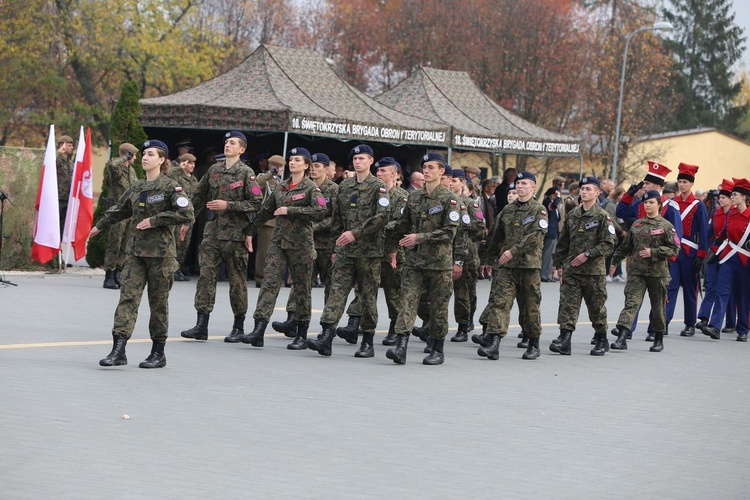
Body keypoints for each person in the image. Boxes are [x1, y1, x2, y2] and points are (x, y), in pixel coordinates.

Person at [90, 140, 194, 368]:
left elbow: (187, 213)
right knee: (127, 299)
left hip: (161, 256)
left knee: (158, 304)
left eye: (150, 154)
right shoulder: (137, 187)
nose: (145, 158)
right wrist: (100, 226)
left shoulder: (170, 187)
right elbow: (120, 209)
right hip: (136, 254)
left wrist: (156, 220)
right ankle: (118, 350)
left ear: (162, 159)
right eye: (144, 154)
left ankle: (158, 353)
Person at [238, 147, 326, 349]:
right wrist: (250, 231)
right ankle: (258, 330)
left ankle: (302, 333)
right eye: (291, 159)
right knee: (269, 283)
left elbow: (321, 210)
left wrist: (291, 210)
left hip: (301, 244)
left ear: (306, 165)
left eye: (297, 160)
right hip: (278, 242)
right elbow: (266, 211)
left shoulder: (311, 188)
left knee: (302, 288)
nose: (293, 163)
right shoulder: (281, 187)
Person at [306, 144, 389, 357]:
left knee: (368, 296)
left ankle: (368, 340)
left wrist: (356, 233)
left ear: (370, 161)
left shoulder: (378, 187)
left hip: (368, 252)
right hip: (345, 251)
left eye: (362, 158)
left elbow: (381, 218)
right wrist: (336, 246)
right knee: (336, 291)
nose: (357, 162)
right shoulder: (345, 186)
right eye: (355, 159)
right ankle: (326, 335)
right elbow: (337, 219)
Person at [180, 131, 263, 342]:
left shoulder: (246, 173)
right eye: (226, 142)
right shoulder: (214, 170)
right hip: (212, 234)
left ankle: (238, 325)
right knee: (206, 278)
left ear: (242, 149)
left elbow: (256, 203)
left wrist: (229, 206)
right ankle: (201, 324)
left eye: (233, 143)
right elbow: (198, 196)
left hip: (236, 237)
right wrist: (187, 219)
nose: (228, 145)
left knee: (237, 282)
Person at [384, 152, 460, 365]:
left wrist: (420, 238)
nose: (426, 171)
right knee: (407, 301)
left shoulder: (450, 199)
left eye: (431, 168)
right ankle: (400, 347)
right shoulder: (414, 197)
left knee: (438, 307)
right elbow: (403, 224)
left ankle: (437, 348)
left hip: (439, 264)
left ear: (441, 171)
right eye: (424, 167)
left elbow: (449, 232)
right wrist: (385, 229)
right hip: (414, 263)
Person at [338, 157, 409, 349]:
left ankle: (395, 327)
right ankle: (353, 324)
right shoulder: (371, 191)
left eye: (384, 171)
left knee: (392, 293)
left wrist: (379, 227)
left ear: (394, 174)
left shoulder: (402, 197)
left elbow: (400, 223)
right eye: (378, 171)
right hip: (369, 249)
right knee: (363, 290)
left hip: (391, 251)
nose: (379, 174)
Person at [476, 171, 548, 360]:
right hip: (506, 267)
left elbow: (535, 237)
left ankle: (533, 342)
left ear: (533, 187)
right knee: (500, 303)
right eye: (518, 183)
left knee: (529, 307)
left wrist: (513, 251)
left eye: (524, 183)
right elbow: (495, 236)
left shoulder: (539, 210)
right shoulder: (507, 211)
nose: (520, 186)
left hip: (528, 267)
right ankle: (494, 344)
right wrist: (488, 260)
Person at [272, 152, 339, 337]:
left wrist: (312, 227)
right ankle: (292, 318)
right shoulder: (302, 187)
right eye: (313, 165)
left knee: (330, 285)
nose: (315, 169)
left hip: (325, 244)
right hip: (303, 243)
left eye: (319, 166)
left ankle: (329, 325)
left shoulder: (333, 189)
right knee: (301, 284)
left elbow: (333, 218)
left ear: (326, 169)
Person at [616, 161, 683, 339]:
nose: (643, 186)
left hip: (659, 261)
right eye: (644, 183)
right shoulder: (642, 203)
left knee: (657, 299)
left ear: (658, 186)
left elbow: (676, 238)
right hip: (638, 259)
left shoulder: (671, 207)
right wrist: (629, 195)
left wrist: (666, 258)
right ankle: (627, 328)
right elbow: (621, 212)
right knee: (633, 296)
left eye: (647, 183)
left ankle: (655, 330)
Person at [551, 177, 617, 356]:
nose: (584, 192)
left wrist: (588, 254)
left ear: (597, 192)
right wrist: (558, 264)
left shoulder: (602, 216)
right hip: (572, 270)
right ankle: (565, 339)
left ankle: (602, 338)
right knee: (568, 306)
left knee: (596, 308)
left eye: (589, 189)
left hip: (593, 272)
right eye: (582, 189)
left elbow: (609, 243)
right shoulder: (573, 214)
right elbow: (563, 242)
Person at [610, 190, 680, 352]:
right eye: (646, 203)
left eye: (651, 203)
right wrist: (614, 262)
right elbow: (625, 247)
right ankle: (622, 337)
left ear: (659, 205)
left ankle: (658, 338)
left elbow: (674, 249)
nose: (648, 205)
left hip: (658, 274)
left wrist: (654, 252)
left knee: (657, 307)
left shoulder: (666, 226)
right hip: (637, 273)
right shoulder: (637, 225)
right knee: (631, 304)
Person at [700, 178, 750, 342]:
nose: (732, 196)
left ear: (743, 197)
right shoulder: (732, 214)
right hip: (728, 257)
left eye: (734, 194)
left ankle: (743, 329)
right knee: (722, 291)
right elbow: (723, 234)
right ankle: (715, 326)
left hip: (745, 260)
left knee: (743, 295)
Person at [667, 163, 708, 337]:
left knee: (691, 289)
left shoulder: (698, 205)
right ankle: (664, 321)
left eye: (685, 182)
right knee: (671, 287)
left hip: (690, 254)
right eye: (680, 181)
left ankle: (690, 323)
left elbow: (704, 232)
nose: (682, 185)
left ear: (691, 184)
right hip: (674, 253)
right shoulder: (672, 203)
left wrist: (701, 255)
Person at [448, 169, 485, 342]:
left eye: (454, 180)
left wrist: (464, 233)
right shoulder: (446, 200)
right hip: (445, 253)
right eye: (449, 180)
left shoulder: (470, 204)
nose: (450, 183)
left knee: (465, 291)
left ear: (462, 183)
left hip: (467, 254)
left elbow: (479, 229)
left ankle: (464, 324)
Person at [695, 179, 736, 336]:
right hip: (715, 253)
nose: (720, 199)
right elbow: (711, 232)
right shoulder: (716, 213)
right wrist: (702, 246)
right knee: (711, 285)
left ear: (731, 199)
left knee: (725, 290)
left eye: (724, 197)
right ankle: (704, 318)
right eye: (720, 197)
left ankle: (729, 322)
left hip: (730, 254)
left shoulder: (734, 214)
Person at [101, 143, 139, 289]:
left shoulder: (132, 171)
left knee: (125, 244)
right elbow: (112, 164)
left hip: (129, 212)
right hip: (117, 211)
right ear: (128, 154)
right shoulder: (116, 168)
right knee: (114, 244)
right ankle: (109, 276)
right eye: (133, 155)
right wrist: (123, 158)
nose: (136, 158)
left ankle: (118, 273)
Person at [167, 153, 200, 281]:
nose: (192, 166)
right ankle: (172, 269)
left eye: (193, 163)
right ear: (184, 163)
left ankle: (178, 267)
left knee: (184, 243)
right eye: (190, 163)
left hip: (188, 217)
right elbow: (167, 175)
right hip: (176, 214)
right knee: (174, 242)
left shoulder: (193, 179)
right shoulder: (176, 175)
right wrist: (178, 167)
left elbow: (197, 198)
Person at [253, 154, 285, 287]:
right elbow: (255, 184)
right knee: (264, 250)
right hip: (267, 221)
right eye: (279, 167)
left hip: (278, 220)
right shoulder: (263, 177)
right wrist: (270, 174)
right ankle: (260, 277)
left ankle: (272, 276)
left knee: (275, 251)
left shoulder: (280, 182)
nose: (281, 170)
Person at [56, 134, 75, 250]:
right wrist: (59, 152)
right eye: (69, 145)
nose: (72, 148)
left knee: (63, 229)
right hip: (57, 198)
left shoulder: (70, 163)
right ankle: (54, 255)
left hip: (68, 199)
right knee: (55, 227)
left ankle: (59, 254)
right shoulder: (56, 159)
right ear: (63, 146)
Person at [541, 186, 561, 282]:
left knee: (552, 254)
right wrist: (558, 198)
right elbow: (552, 208)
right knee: (547, 253)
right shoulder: (547, 201)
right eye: (555, 194)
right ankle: (544, 274)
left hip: (555, 230)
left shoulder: (553, 202)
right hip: (550, 231)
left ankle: (549, 274)